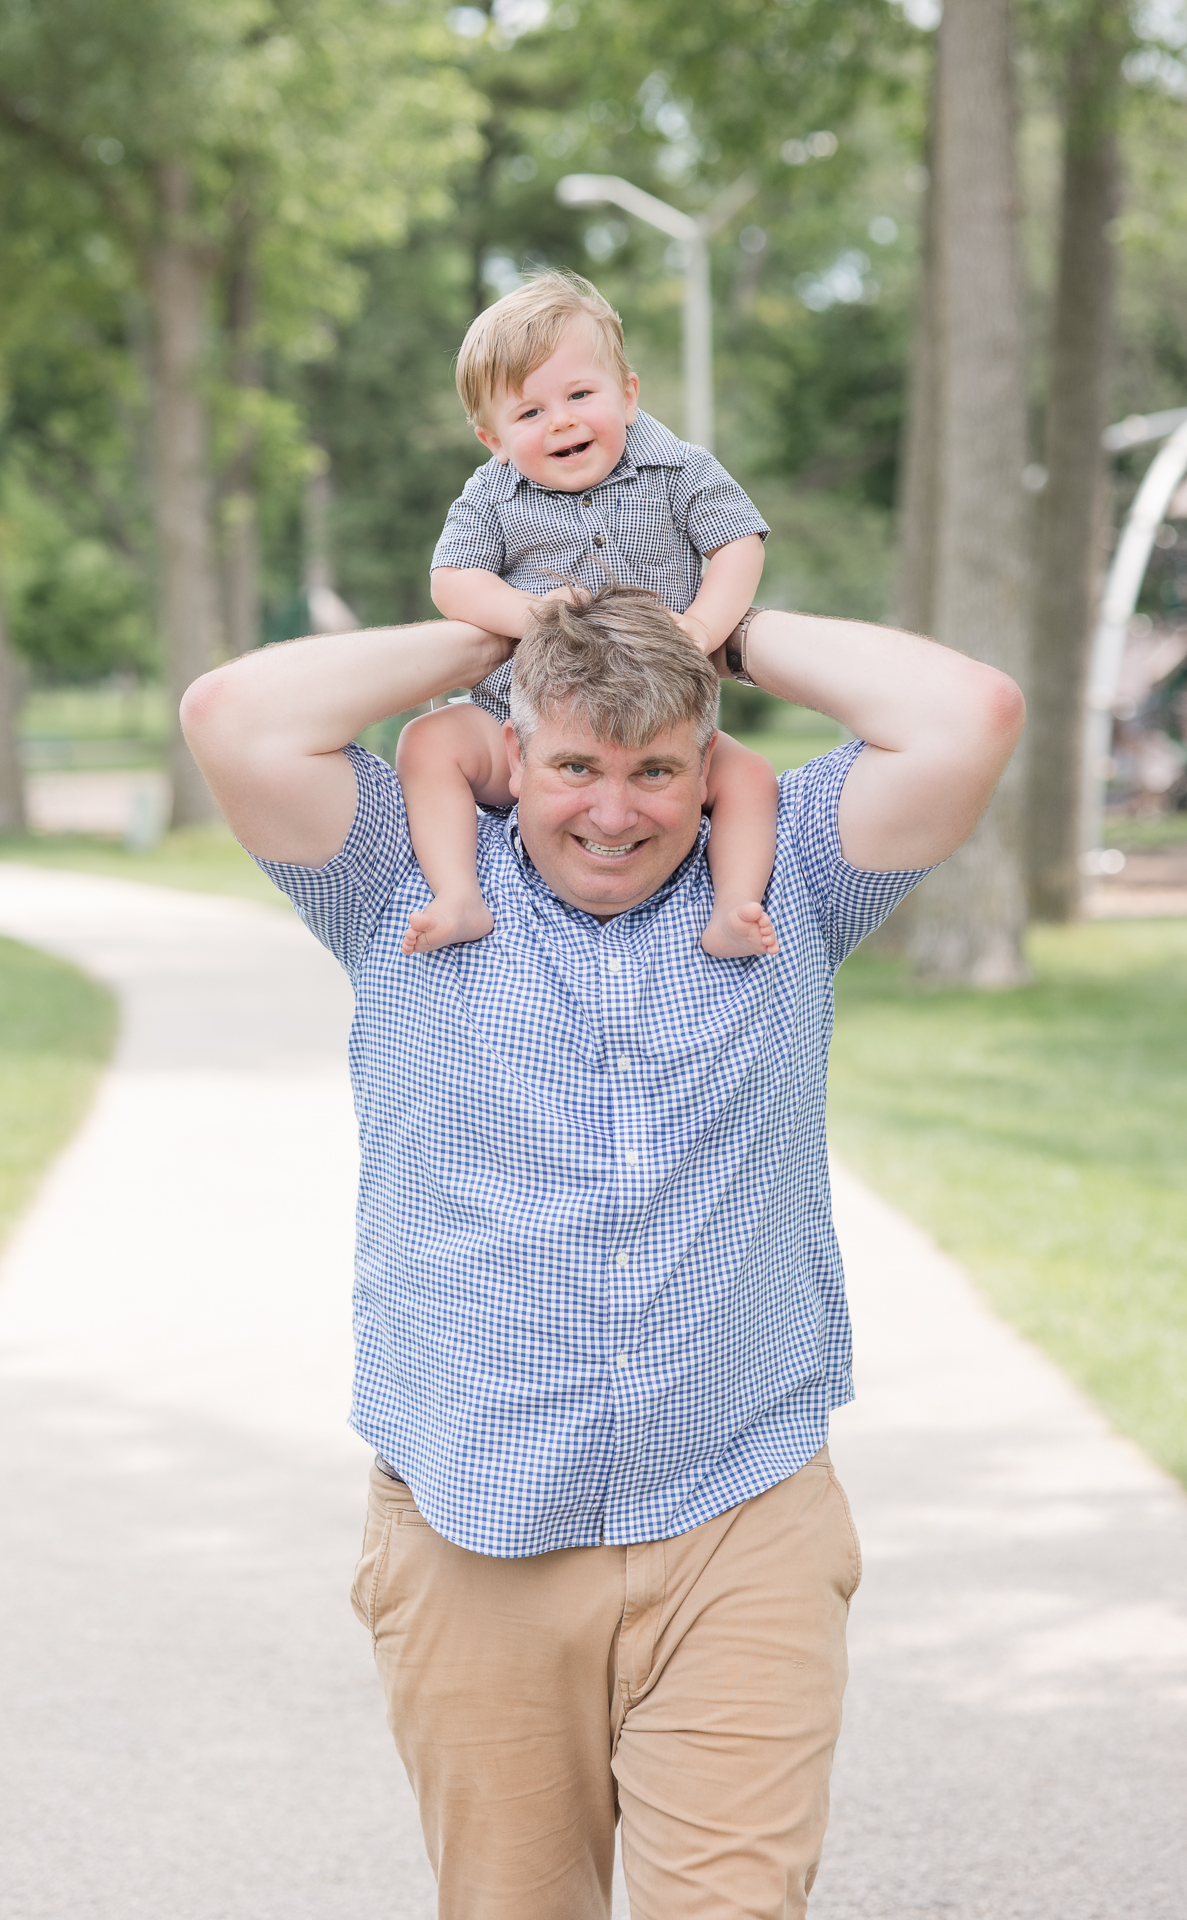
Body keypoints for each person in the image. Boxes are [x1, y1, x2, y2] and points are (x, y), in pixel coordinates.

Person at [180, 586, 1023, 1919]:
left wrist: (712, 631)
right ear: (510, 753)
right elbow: (234, 715)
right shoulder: (401, 872)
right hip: (478, 1523)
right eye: (575, 763)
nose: (615, 812)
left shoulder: (787, 874)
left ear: (711, 764)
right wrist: (516, 634)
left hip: (736, 1515)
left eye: (655, 769)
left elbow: (967, 714)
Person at [397, 270, 780, 961]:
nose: (563, 421)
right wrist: (530, 611)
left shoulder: (680, 470)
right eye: (530, 413)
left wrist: (700, 628)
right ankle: (457, 895)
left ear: (627, 395)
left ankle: (734, 908)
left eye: (580, 395)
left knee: (748, 777)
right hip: (519, 723)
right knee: (427, 743)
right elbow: (451, 579)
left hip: (658, 731)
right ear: (493, 438)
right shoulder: (491, 493)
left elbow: (737, 545)